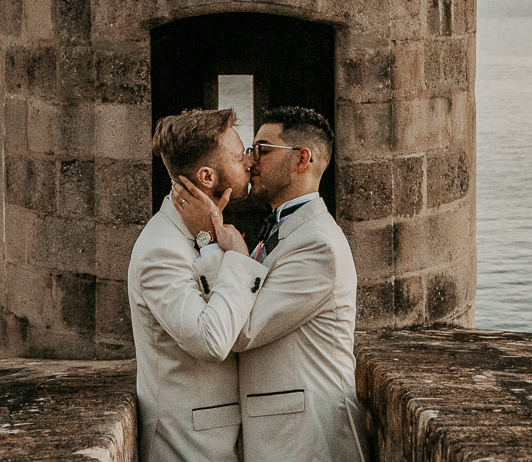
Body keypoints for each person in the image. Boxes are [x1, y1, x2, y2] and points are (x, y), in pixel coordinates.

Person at [175, 106, 367, 462]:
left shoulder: (318, 244)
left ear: (301, 160)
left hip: (308, 438)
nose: (250, 161)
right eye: (250, 149)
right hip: (281, 435)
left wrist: (210, 243)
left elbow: (242, 329)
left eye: (262, 150)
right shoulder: (283, 227)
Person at [129, 108, 267, 462]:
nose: (249, 162)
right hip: (186, 444)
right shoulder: (159, 250)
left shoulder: (198, 234)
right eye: (239, 157)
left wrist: (209, 240)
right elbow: (210, 341)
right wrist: (237, 257)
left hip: (219, 436)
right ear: (207, 176)